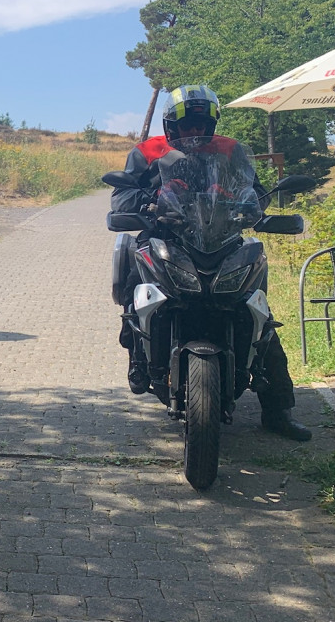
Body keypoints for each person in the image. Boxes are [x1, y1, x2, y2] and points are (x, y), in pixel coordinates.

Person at [110, 85, 311, 442]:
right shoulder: (148, 151)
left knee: (258, 315)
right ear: (171, 125)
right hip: (166, 236)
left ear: (212, 123)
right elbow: (122, 195)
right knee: (135, 270)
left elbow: (254, 190)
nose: (195, 131)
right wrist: (143, 205)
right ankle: (134, 335)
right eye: (187, 124)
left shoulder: (231, 150)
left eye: (201, 124)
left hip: (220, 237)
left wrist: (252, 208)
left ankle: (278, 410)